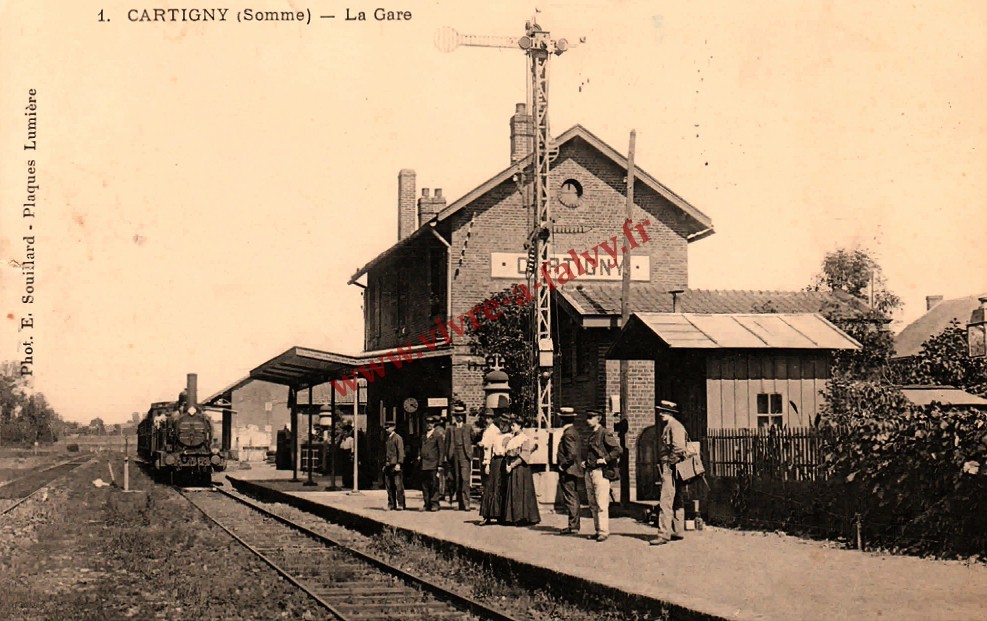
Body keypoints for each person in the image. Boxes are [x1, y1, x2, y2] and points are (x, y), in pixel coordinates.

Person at [651, 401, 689, 545]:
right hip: (677, 467)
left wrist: (669, 464)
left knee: (666, 500)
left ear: (670, 413)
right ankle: (678, 530)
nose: (660, 414)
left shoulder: (674, 426)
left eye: (664, 412)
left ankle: (663, 534)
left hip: (672, 467)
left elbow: (678, 448)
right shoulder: (673, 426)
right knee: (677, 499)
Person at [582, 409, 621, 542]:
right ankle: (598, 530)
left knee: (601, 503)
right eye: (588, 417)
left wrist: (605, 459)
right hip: (590, 470)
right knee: (592, 503)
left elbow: (617, 450)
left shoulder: (604, 433)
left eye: (591, 417)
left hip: (601, 472)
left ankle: (603, 531)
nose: (588, 420)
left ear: (598, 418)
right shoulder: (592, 434)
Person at [502, 417, 540, 525]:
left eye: (514, 425)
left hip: (521, 468)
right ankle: (513, 517)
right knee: (514, 491)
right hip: (512, 467)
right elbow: (508, 453)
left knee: (521, 491)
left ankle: (522, 518)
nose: (512, 427)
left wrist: (512, 465)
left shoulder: (524, 438)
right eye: (511, 425)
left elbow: (524, 455)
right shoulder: (512, 439)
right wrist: (507, 463)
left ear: (520, 426)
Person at [555, 407, 583, 535]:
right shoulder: (573, 432)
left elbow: (571, 454)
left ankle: (573, 526)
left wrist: (562, 465)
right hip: (572, 470)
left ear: (562, 420)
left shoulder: (568, 434)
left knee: (570, 498)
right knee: (573, 496)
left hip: (568, 470)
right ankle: (574, 525)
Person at [478, 413, 508, 525]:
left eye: (504, 424)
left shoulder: (510, 436)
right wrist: (487, 463)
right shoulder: (495, 435)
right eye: (501, 423)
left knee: (501, 487)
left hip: (504, 462)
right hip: (495, 462)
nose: (502, 426)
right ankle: (487, 515)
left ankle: (500, 515)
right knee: (490, 487)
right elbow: (488, 449)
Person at [445, 405, 474, 511]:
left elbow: (473, 438)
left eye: (461, 415)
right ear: (454, 417)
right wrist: (447, 456)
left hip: (465, 455)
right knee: (457, 479)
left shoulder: (468, 428)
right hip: (454, 455)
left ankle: (467, 503)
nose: (459, 417)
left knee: (465, 478)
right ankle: (460, 503)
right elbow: (446, 444)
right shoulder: (450, 429)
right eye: (457, 416)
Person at [418, 416, 445, 511]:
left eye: (431, 423)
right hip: (424, 464)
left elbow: (441, 451)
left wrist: (440, 464)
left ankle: (435, 503)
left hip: (433, 463)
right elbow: (420, 447)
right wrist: (419, 456)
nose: (429, 425)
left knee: (434, 484)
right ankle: (427, 503)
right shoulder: (423, 435)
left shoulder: (437, 435)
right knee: (425, 485)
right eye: (428, 423)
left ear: (434, 424)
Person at [382, 421, 405, 511]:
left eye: (388, 427)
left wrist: (399, 463)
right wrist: (384, 464)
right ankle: (391, 503)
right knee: (389, 486)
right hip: (388, 464)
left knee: (398, 485)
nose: (387, 429)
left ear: (393, 428)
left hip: (395, 465)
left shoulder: (397, 438)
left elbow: (400, 451)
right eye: (386, 428)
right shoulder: (387, 438)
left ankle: (400, 503)